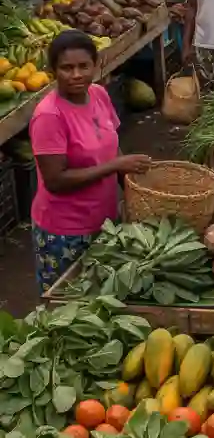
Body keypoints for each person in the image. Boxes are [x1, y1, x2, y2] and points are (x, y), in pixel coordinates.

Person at [29, 31, 151, 290]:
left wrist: (134, 195)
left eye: (84, 66)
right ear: (53, 71)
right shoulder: (49, 116)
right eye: (67, 68)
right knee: (66, 307)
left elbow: (112, 147)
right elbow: (55, 180)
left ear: (96, 65)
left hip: (104, 221)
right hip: (65, 232)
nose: (76, 75)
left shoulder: (98, 94)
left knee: (102, 299)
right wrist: (116, 166)